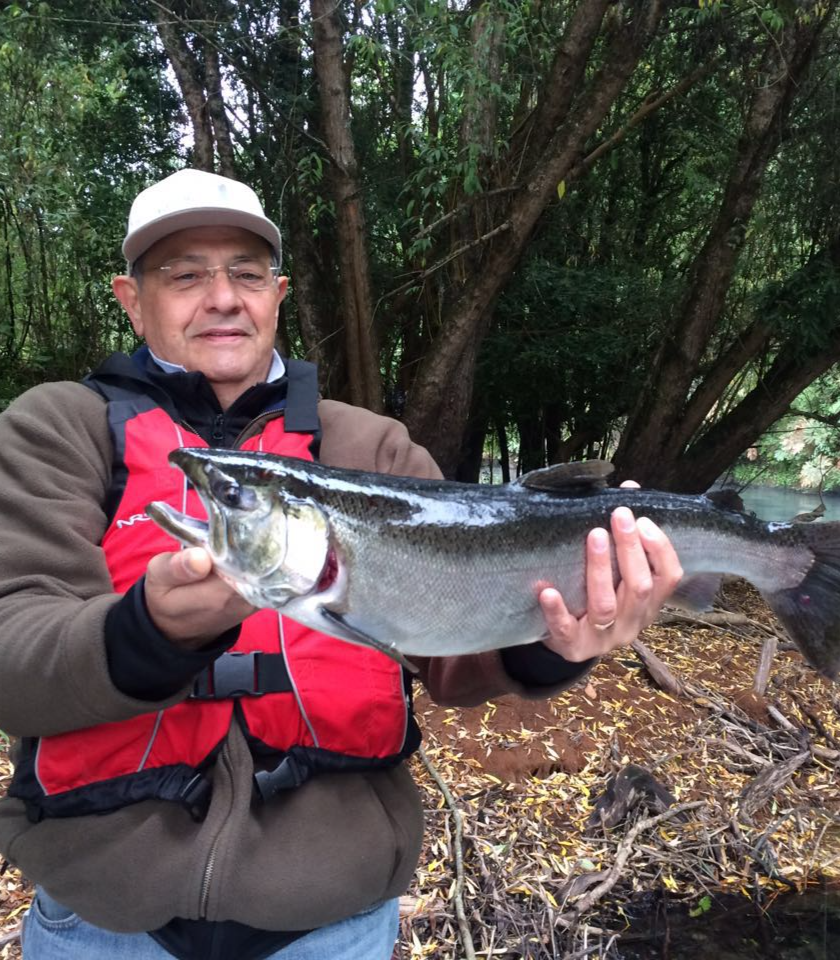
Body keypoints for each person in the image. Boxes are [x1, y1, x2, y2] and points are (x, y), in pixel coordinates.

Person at [0, 169, 683, 960]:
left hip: (333, 928)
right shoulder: (57, 430)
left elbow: (454, 665)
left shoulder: (376, 446)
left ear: (278, 294)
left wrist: (556, 639)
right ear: (130, 297)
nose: (222, 297)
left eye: (246, 275)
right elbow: (13, 656)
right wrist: (148, 632)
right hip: (103, 924)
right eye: (185, 274)